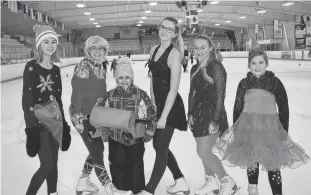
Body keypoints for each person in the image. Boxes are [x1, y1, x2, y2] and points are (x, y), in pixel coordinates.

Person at [214, 37, 310, 195]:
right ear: (249, 65)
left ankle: (277, 193)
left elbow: (284, 108)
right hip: (249, 127)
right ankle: (253, 189)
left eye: (260, 63)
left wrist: (283, 131)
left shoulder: (275, 82)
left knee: (272, 164)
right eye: (253, 63)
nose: (257, 66)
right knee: (252, 161)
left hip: (269, 130)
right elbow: (237, 107)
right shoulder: (244, 83)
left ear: (266, 64)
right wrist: (237, 130)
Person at [69, 35, 132, 195]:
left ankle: (83, 181)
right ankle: (109, 187)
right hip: (83, 116)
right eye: (94, 48)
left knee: (96, 149)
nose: (97, 51)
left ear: (105, 50)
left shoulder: (100, 66)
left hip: (96, 115)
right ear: (88, 50)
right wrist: (77, 119)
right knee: (97, 150)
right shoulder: (84, 67)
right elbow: (77, 95)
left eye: (101, 48)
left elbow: (100, 94)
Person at [137, 16, 189, 195]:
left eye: (169, 29)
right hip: (157, 105)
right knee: (160, 146)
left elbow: (173, 89)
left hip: (171, 107)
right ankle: (180, 180)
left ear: (175, 34)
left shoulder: (174, 54)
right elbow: (153, 80)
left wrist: (164, 115)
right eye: (162, 27)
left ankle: (149, 190)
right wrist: (152, 105)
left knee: (159, 147)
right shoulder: (154, 49)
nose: (164, 31)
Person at [95, 57, 157, 194]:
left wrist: (150, 131)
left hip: (135, 137)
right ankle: (121, 188)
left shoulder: (141, 94)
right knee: (117, 163)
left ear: (132, 78)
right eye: (121, 77)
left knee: (136, 163)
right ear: (116, 79)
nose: (124, 80)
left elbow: (151, 112)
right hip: (115, 137)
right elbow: (101, 114)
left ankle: (137, 188)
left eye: (127, 77)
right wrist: (104, 131)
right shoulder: (109, 95)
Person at [22, 24, 71, 195]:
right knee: (47, 165)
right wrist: (31, 128)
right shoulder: (31, 67)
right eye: (46, 42)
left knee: (54, 162)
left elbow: (58, 100)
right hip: (39, 122)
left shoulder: (57, 70)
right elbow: (26, 99)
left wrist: (64, 125)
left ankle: (53, 192)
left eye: (53, 42)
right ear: (39, 45)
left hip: (55, 121)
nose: (50, 45)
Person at [187, 34, 239, 195]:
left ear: (210, 48)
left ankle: (226, 180)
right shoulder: (194, 68)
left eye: (203, 47)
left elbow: (220, 95)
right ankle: (211, 181)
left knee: (203, 151)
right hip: (197, 114)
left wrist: (216, 120)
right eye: (196, 48)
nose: (199, 51)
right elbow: (192, 93)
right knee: (202, 150)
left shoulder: (216, 67)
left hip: (212, 114)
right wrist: (190, 114)